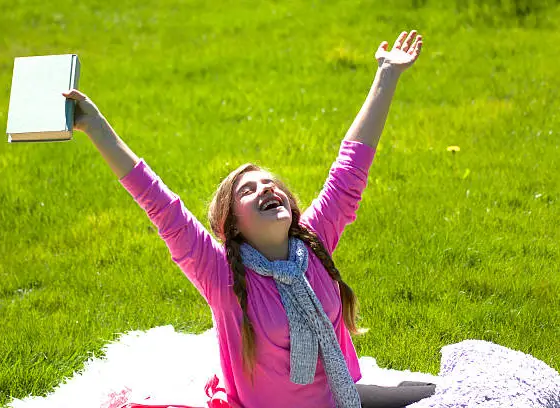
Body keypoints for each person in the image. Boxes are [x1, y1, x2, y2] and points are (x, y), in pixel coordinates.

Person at [62, 29, 434, 408]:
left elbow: (351, 165)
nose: (266, 189)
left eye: (270, 183)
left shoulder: (312, 239)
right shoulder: (220, 272)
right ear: (233, 224)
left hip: (341, 400)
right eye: (248, 190)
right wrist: (95, 127)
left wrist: (387, 74)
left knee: (447, 395)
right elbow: (159, 203)